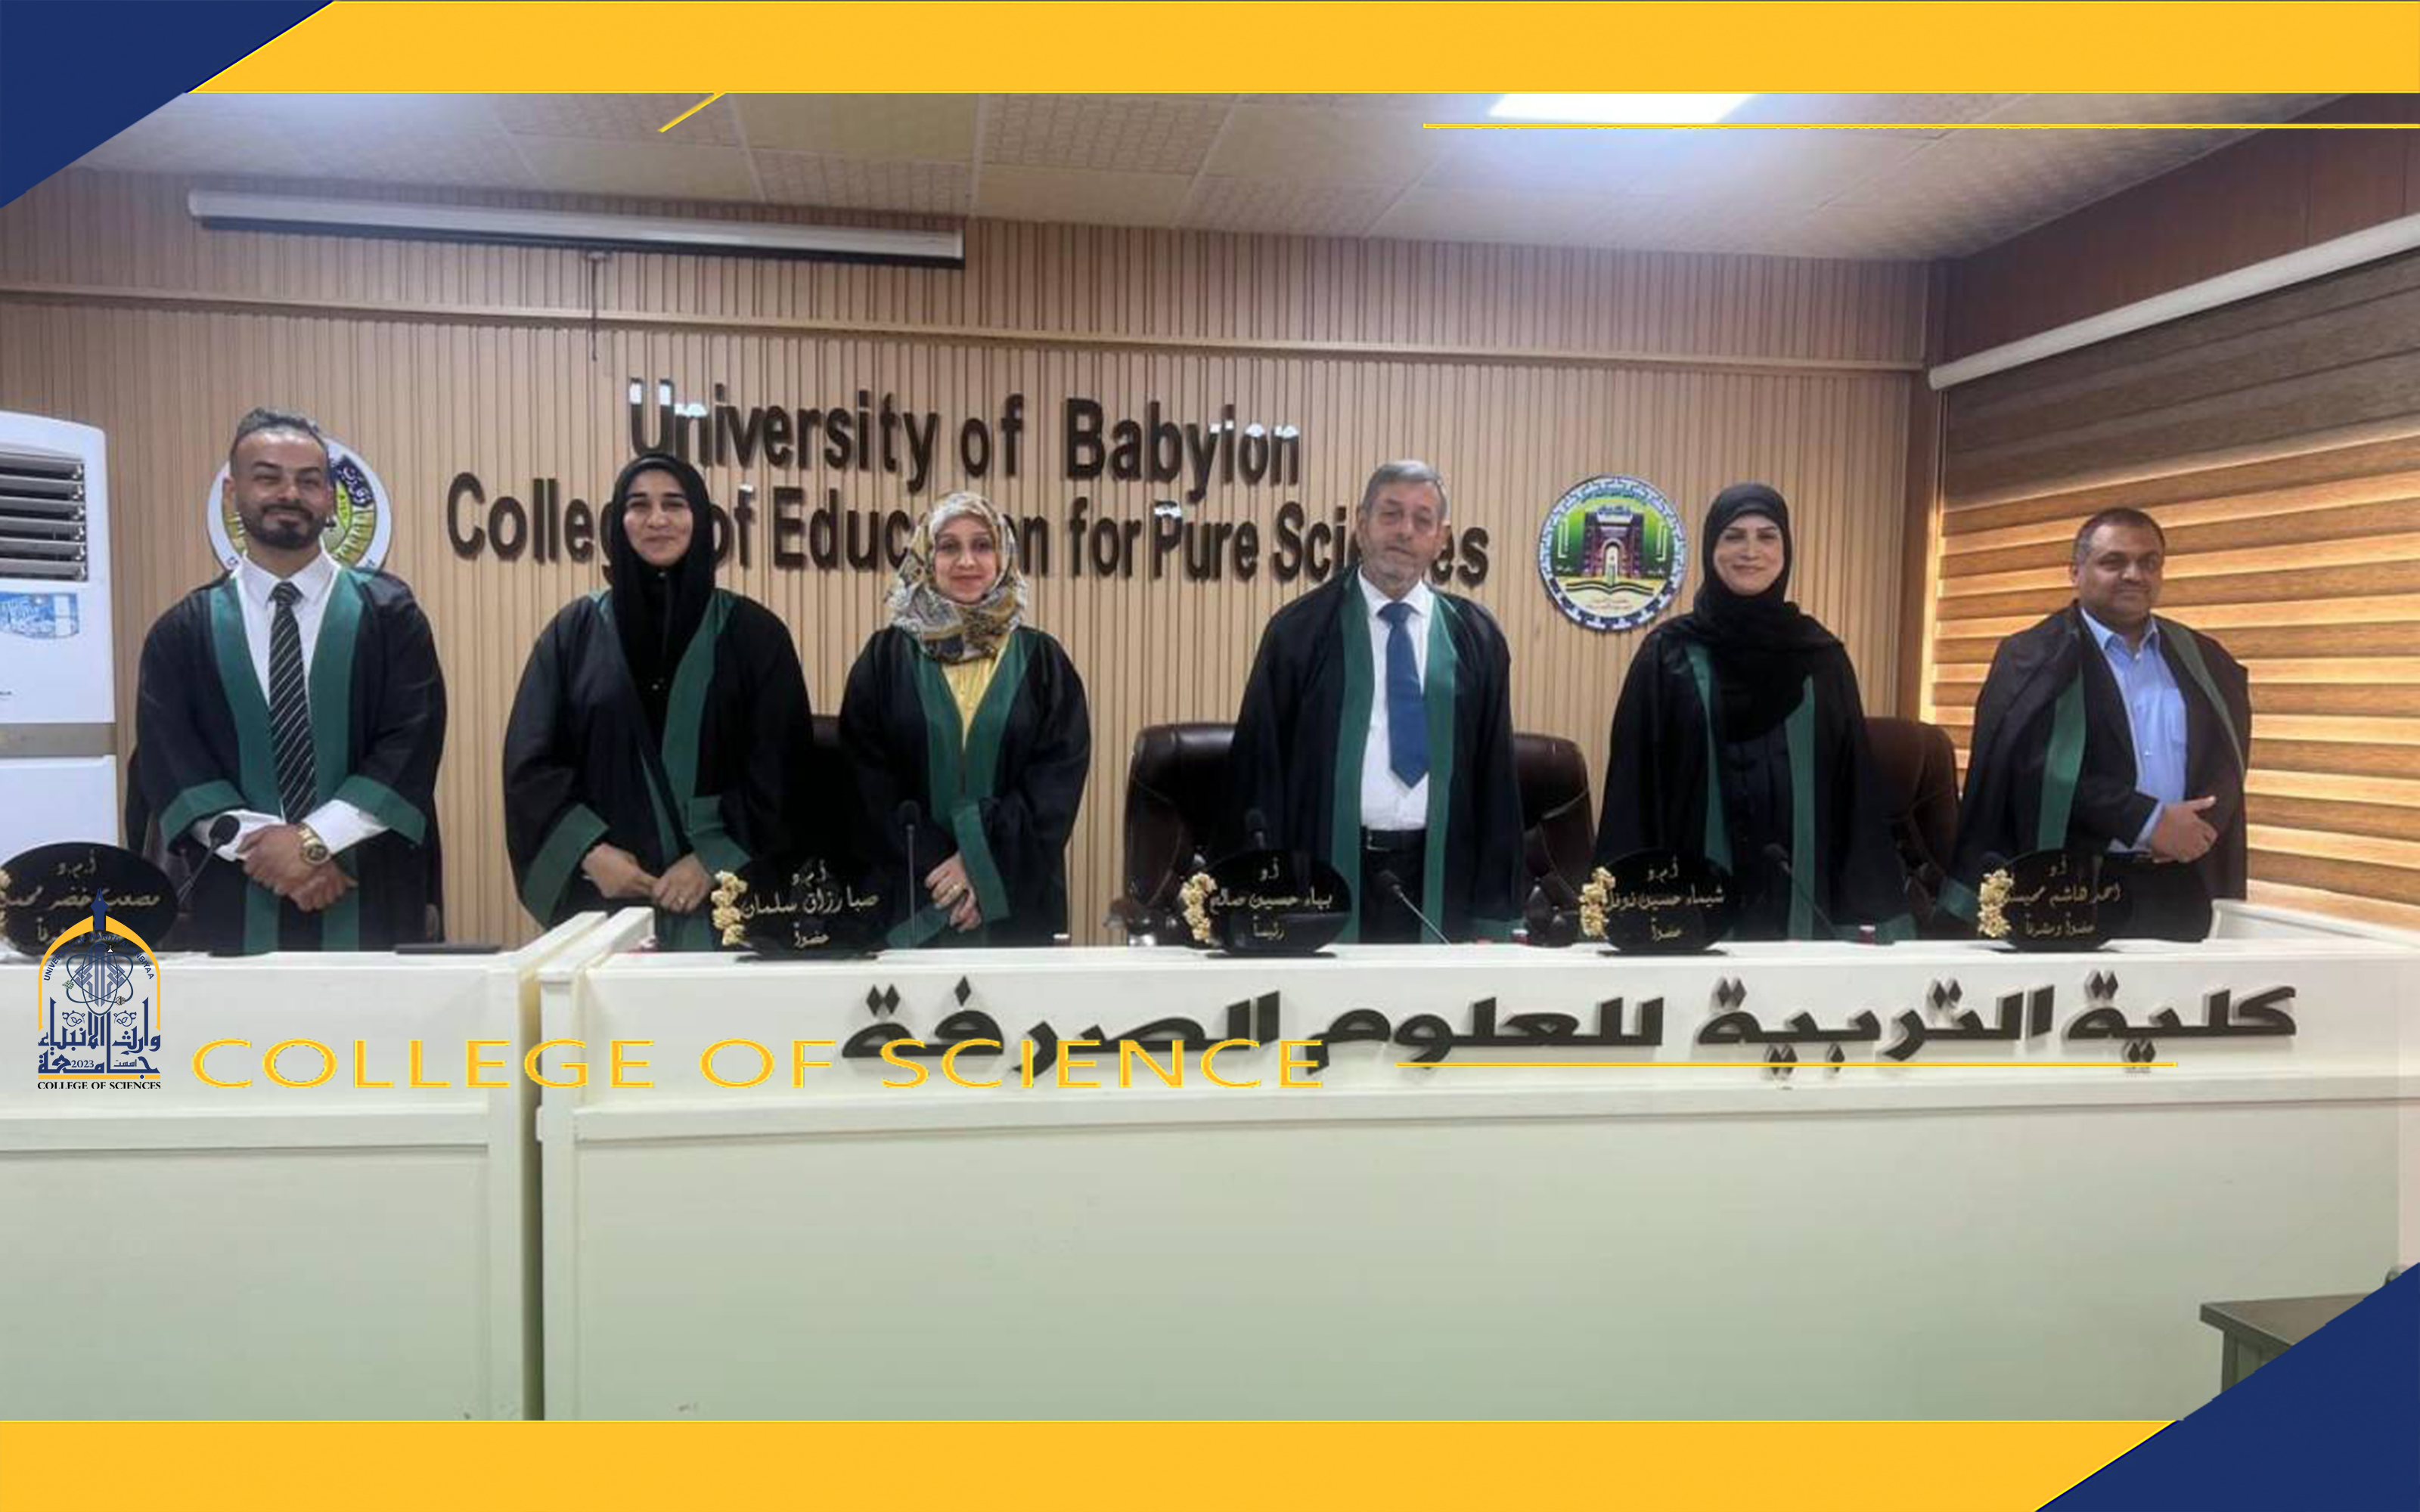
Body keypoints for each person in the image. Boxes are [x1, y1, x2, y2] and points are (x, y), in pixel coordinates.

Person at [128, 407, 445, 953]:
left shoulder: (390, 616)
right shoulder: (182, 633)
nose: (289, 494)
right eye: (268, 477)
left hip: (369, 885)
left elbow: (410, 743)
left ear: (330, 498)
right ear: (232, 493)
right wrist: (271, 852)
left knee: (373, 1012)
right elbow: (174, 765)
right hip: (235, 893)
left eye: (309, 480)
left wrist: (313, 842)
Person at [502, 451, 814, 950]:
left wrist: (712, 857)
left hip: (729, 905)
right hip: (605, 905)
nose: (657, 519)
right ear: (618, 522)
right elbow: (531, 764)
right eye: (639, 505)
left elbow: (783, 768)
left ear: (701, 519)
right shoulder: (574, 634)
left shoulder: (755, 636)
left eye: (674, 504)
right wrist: (588, 852)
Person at [1592, 482, 1913, 942]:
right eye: (1734, 536)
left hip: (1804, 909)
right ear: (1711, 548)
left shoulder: (1822, 659)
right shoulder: (1667, 655)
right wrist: (1624, 916)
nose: (1750, 551)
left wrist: (1869, 922)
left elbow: (1853, 796)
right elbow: (1633, 793)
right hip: (1688, 916)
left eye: (1767, 536)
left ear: (1786, 549)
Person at [1227, 460, 1523, 943]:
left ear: (1441, 539)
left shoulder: (1476, 638)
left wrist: (1494, 919)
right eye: (1391, 514)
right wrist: (1262, 900)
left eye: (1422, 520)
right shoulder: (1299, 633)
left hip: (1442, 875)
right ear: (1362, 524)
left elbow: (1497, 785)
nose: (1405, 530)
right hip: (1323, 874)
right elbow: (1260, 776)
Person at [1945, 507, 2251, 940]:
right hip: (2071, 885)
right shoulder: (2031, 656)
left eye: (2149, 563)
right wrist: (2147, 821)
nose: (2134, 575)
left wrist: (2203, 827)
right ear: (2075, 572)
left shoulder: (2205, 658)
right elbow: (2033, 767)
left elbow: (2228, 756)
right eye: (2114, 561)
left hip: (2183, 884)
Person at [839, 491, 1091, 947]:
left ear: (1003, 557)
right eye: (949, 547)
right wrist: (942, 875)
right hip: (909, 895)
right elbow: (867, 784)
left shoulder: (1044, 662)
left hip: (1016, 901)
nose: (967, 561)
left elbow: (1054, 788)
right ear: (926, 558)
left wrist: (979, 865)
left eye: (982, 545)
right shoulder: (883, 659)